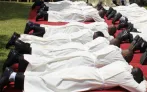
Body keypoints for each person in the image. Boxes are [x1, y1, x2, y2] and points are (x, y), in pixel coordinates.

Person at [1, 61, 147, 92]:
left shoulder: (122, 65)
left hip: (87, 72)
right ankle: (13, 76)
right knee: (55, 86)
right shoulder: (126, 77)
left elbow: (127, 66)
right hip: (90, 79)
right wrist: (145, 82)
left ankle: (16, 75)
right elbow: (140, 90)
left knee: (54, 76)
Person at [3, 43, 134, 75]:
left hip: (85, 55)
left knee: (53, 59)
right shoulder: (120, 60)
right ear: (126, 58)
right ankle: (20, 61)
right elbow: (129, 68)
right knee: (54, 67)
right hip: (87, 62)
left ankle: (19, 58)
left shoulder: (113, 47)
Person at [6, 30, 105, 50]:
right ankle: (18, 40)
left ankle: (19, 37)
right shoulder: (89, 39)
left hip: (63, 37)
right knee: (40, 43)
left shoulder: (88, 32)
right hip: (63, 41)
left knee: (40, 40)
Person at [24, 21, 116, 40]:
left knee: (54, 30)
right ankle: (32, 26)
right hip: (77, 29)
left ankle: (33, 26)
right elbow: (110, 38)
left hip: (78, 27)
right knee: (53, 32)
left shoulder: (103, 25)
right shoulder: (105, 32)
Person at [36, 5, 104, 22]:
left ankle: (45, 13)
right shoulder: (96, 14)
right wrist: (102, 18)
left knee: (61, 14)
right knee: (61, 17)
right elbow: (101, 21)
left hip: (78, 13)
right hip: (78, 16)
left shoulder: (93, 9)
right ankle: (44, 14)